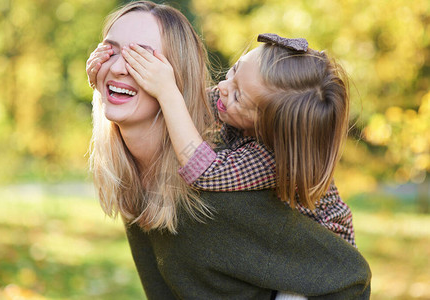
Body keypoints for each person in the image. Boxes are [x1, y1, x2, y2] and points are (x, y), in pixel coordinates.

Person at [87, 1, 371, 299]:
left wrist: (167, 90)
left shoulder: (247, 174)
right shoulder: (141, 172)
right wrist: (99, 80)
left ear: (263, 125)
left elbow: (350, 277)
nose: (222, 87)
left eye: (143, 60)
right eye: (111, 51)